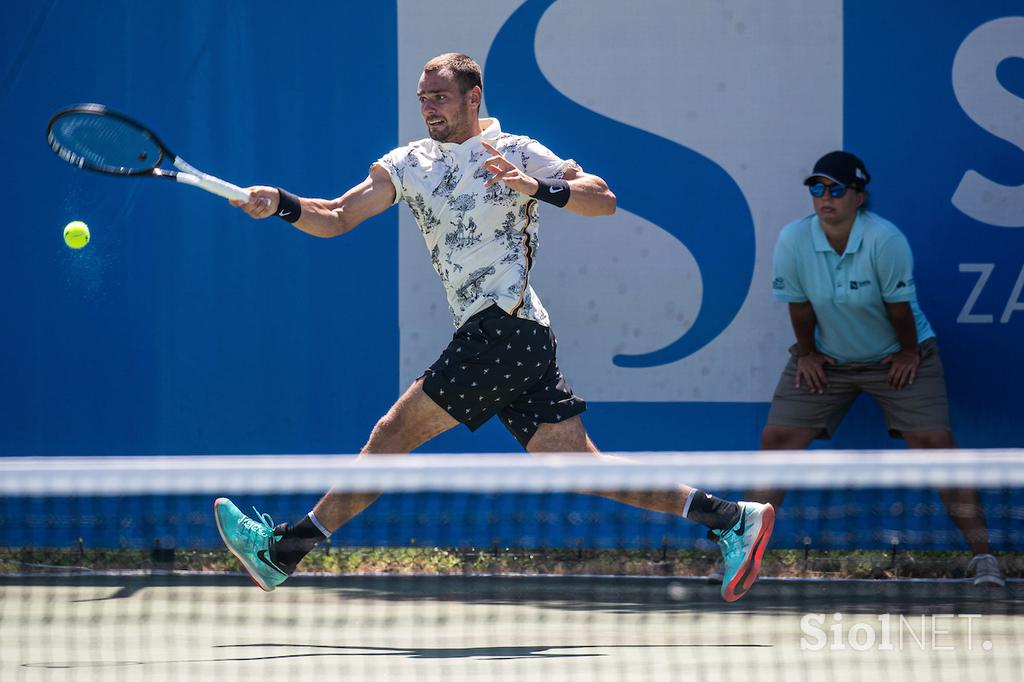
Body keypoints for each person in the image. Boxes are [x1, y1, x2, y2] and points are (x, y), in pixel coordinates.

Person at [212, 53, 773, 602]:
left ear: (473, 97)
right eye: (423, 98)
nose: (429, 106)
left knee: (391, 435)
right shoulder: (406, 163)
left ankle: (283, 552)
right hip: (517, 337)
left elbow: (602, 200)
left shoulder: (517, 151)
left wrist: (536, 188)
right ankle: (730, 518)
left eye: (440, 96)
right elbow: (336, 216)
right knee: (580, 467)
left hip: (505, 328)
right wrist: (281, 203)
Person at [708, 151, 1003, 587]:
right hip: (828, 359)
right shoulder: (793, 240)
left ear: (859, 196)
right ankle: (740, 558)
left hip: (898, 355)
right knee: (777, 440)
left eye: (836, 189)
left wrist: (907, 354)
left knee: (938, 445)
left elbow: (898, 310)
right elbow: (801, 306)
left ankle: (985, 559)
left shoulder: (885, 240)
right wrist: (807, 354)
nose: (825, 198)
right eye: (817, 188)